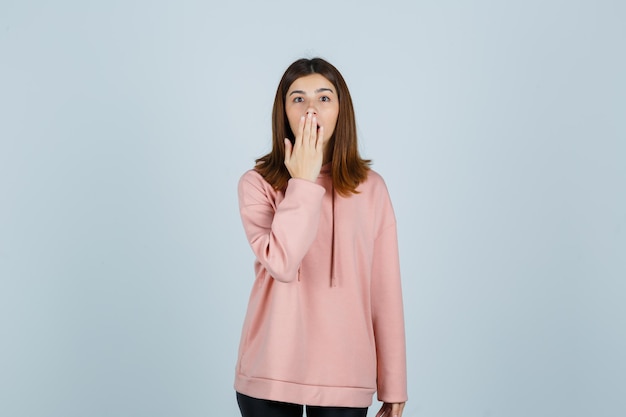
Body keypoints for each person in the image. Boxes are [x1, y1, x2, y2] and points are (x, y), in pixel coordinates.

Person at [234, 57, 407, 417]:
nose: (311, 109)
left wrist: (394, 384)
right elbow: (282, 263)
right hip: (270, 369)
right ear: (283, 111)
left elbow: (385, 292)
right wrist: (302, 181)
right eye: (298, 99)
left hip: (345, 374)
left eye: (324, 98)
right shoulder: (257, 184)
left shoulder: (371, 190)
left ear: (341, 110)